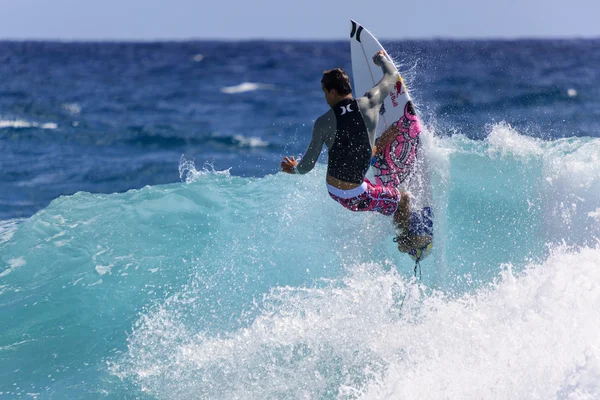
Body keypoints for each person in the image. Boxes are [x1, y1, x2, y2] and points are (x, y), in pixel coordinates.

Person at [281, 50, 432, 260]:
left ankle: (378, 147)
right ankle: (406, 241)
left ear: (333, 92)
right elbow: (391, 76)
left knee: (360, 149)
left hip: (337, 190)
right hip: (355, 194)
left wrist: (295, 169)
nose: (325, 98)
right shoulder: (370, 102)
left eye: (325, 93)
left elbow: (307, 166)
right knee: (403, 199)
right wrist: (380, 59)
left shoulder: (323, 122)